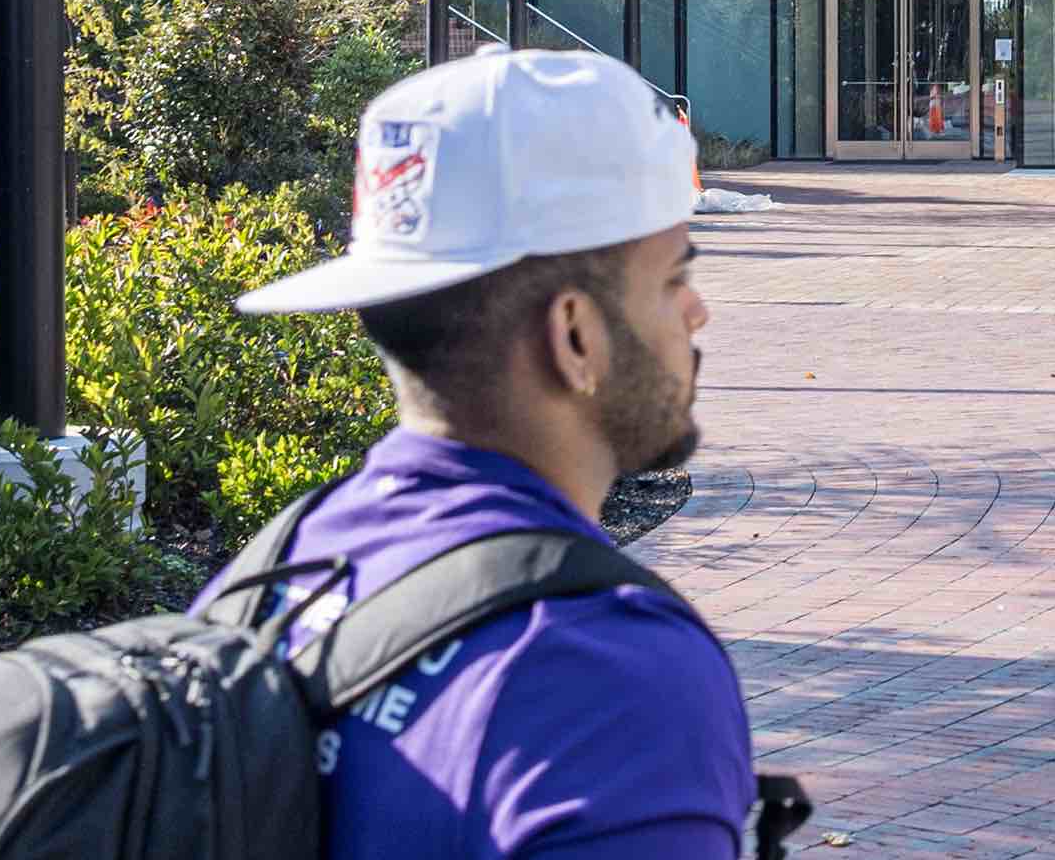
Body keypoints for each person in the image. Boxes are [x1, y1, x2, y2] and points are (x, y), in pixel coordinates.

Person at [222, 48, 758, 859]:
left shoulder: (272, 577)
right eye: (671, 279)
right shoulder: (605, 674)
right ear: (575, 335)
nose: (698, 313)